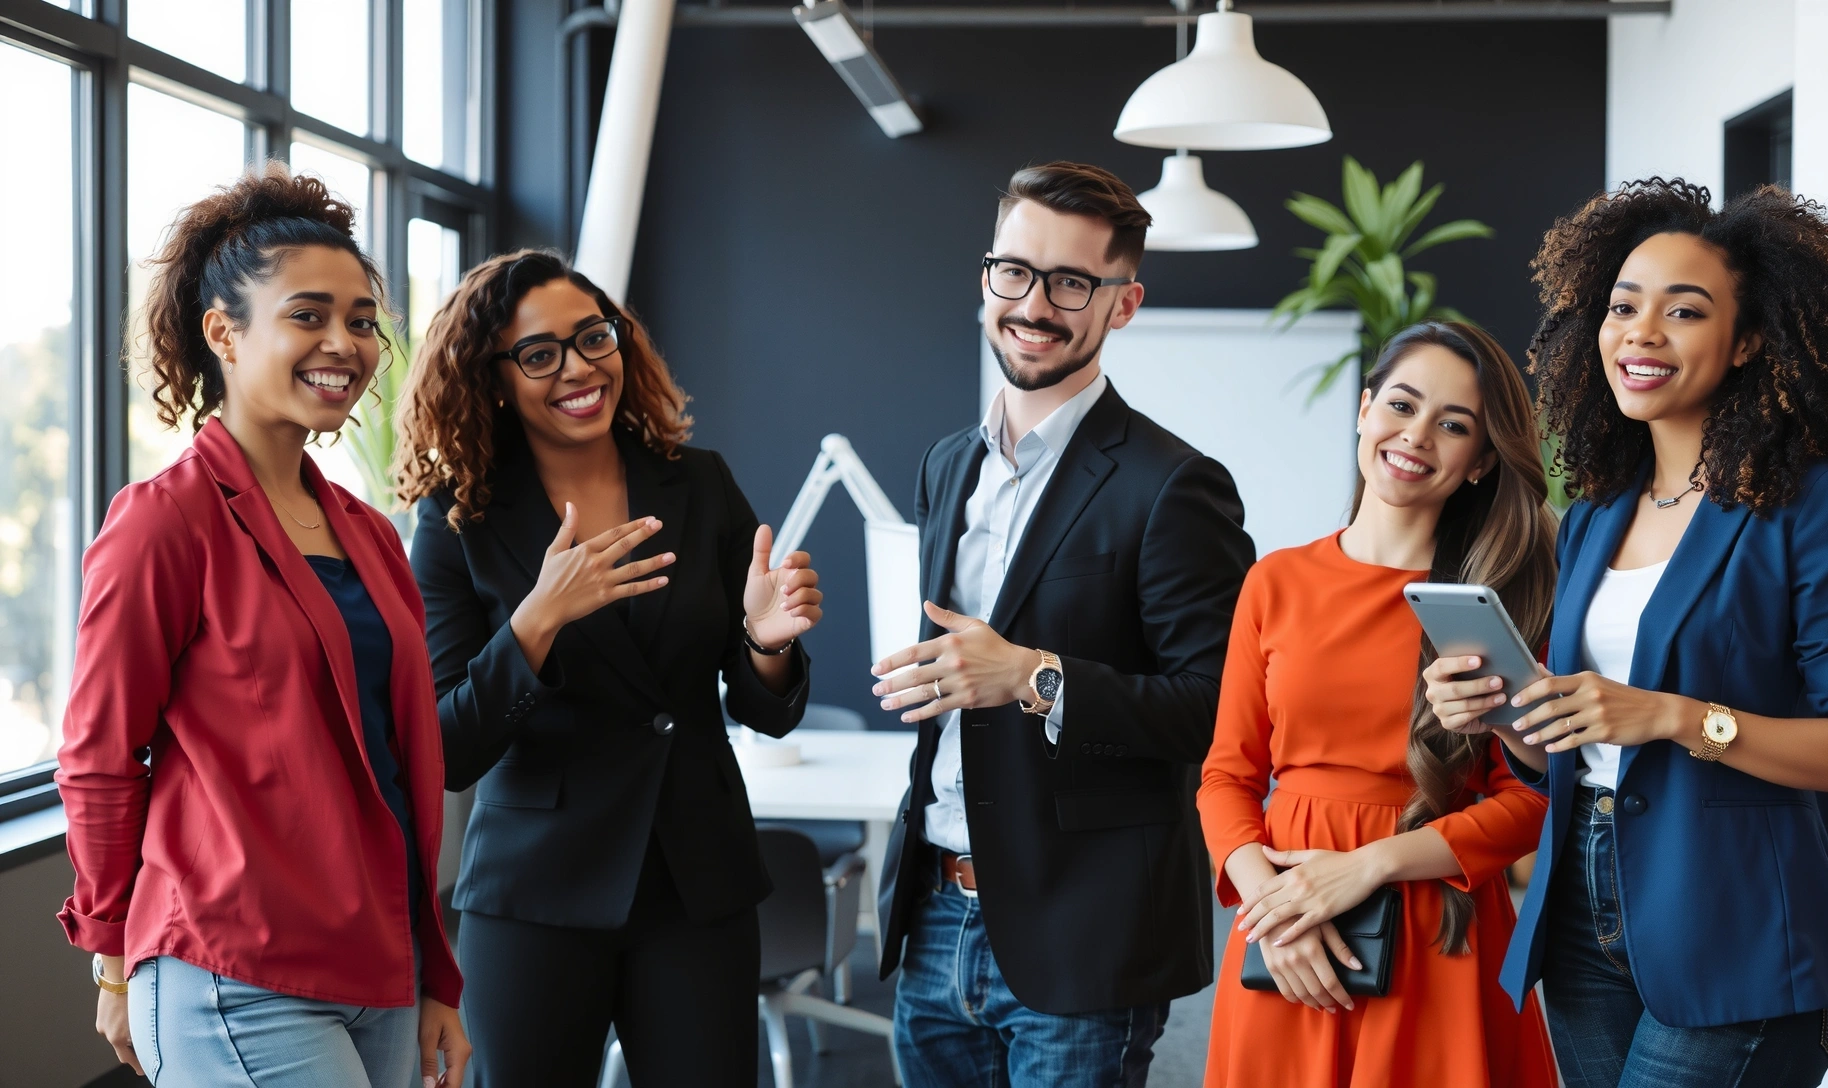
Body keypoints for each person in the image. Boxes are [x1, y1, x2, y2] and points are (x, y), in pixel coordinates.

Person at [1426, 180, 1828, 1088]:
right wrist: (1501, 716)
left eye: (1683, 312)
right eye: (1622, 307)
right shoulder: (1595, 517)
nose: (1640, 333)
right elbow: (1578, 748)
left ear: (1749, 339)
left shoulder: (1812, 505)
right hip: (1580, 909)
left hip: (1738, 926)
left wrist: (1677, 718)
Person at [55, 166, 469, 1087]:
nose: (346, 343)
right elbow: (98, 756)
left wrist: (436, 977)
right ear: (224, 333)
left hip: (382, 967)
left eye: (362, 320)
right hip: (231, 969)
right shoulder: (165, 520)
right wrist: (113, 952)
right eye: (309, 315)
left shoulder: (368, 533)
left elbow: (400, 770)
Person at [393, 248, 822, 1087]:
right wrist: (538, 618)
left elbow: (765, 710)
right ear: (495, 377)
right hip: (535, 891)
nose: (579, 368)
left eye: (594, 338)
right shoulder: (457, 522)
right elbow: (446, 751)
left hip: (696, 880)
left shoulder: (699, 483)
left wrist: (768, 642)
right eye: (540, 354)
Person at [868, 161, 1255, 1088]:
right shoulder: (946, 465)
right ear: (987, 276)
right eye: (1016, 271)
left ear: (1123, 305)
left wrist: (1033, 676)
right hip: (936, 913)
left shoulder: (1173, 484)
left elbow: (1215, 710)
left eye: (1073, 282)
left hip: (1085, 931)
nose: (1036, 304)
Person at [1197, 322, 1559, 1088]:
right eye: (1401, 404)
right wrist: (1277, 912)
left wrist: (1368, 868)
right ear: (1364, 410)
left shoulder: (1497, 604)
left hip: (1438, 938)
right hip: (1287, 930)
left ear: (1481, 462)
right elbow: (1225, 776)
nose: (1416, 436)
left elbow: (1531, 800)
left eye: (1453, 425)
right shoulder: (1275, 582)